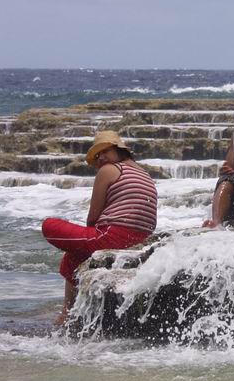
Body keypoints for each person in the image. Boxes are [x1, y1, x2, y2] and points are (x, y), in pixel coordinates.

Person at [41, 131, 157, 324]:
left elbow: (93, 217)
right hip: (140, 239)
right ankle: (68, 314)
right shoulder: (143, 173)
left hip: (112, 236)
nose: (101, 157)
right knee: (73, 257)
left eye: (105, 151)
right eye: (98, 155)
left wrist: (91, 238)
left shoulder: (109, 170)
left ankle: (67, 314)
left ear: (119, 150)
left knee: (49, 225)